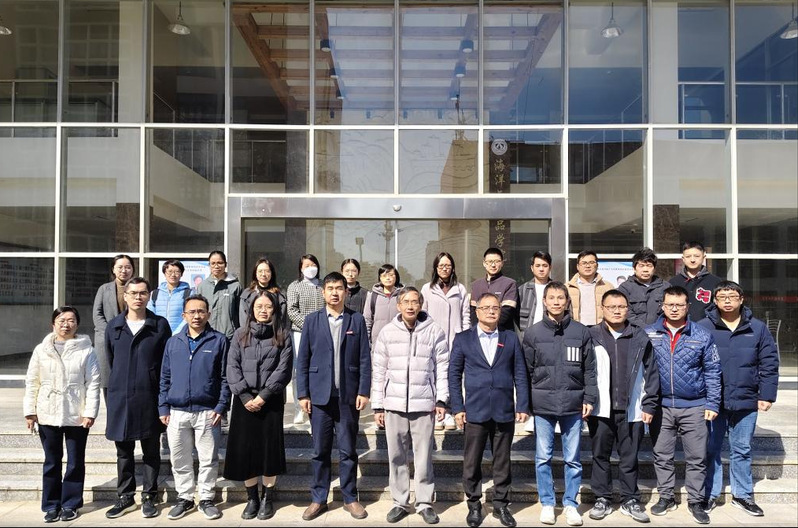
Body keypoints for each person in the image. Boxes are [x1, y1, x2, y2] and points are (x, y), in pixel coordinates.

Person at [698, 281, 779, 517]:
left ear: (741, 299)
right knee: (711, 449)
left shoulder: (757, 328)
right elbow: (695, 363)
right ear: (715, 301)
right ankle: (709, 494)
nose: (727, 301)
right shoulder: (702, 327)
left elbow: (769, 363)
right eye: (722, 297)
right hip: (713, 401)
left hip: (746, 399)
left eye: (732, 296)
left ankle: (742, 495)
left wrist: (766, 395)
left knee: (742, 449)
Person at [295, 272, 372, 521]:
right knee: (320, 451)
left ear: (346, 292)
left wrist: (364, 390)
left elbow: (364, 358)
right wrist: (303, 393)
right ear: (323, 292)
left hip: (348, 396)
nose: (335, 293)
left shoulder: (356, 320)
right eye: (330, 288)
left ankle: (350, 498)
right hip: (319, 397)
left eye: (339, 288)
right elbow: (303, 360)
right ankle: (318, 498)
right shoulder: (312, 320)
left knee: (348, 450)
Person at [449, 293, 530, 528]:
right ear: (477, 312)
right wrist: (457, 407)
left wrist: (522, 404)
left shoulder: (510, 338)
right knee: (472, 461)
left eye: (495, 307)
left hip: (504, 409)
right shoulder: (463, 339)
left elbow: (520, 373)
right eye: (486, 308)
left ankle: (501, 504)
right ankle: (474, 504)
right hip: (474, 410)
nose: (491, 311)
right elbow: (454, 375)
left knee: (502, 461)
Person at [371, 286, 449, 525]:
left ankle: (424, 502)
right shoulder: (387, 332)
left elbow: (442, 368)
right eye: (406, 302)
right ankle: (400, 502)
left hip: (423, 403)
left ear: (421, 304)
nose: (410, 306)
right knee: (396, 456)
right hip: (393, 403)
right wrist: (378, 405)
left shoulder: (434, 331)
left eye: (415, 301)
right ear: (398, 306)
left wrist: (441, 399)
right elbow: (379, 370)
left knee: (423, 457)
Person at [523, 282, 596, 527]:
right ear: (544, 301)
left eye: (560, 298)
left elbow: (590, 370)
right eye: (551, 298)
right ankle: (547, 502)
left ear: (567, 301)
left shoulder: (581, 332)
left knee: (572, 458)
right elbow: (526, 370)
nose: (556, 302)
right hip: (543, 404)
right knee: (543, 456)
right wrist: (526, 402)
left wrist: (589, 398)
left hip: (573, 404)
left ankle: (570, 504)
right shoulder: (533, 333)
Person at [646, 286, 721, 525]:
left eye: (679, 305)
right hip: (661, 406)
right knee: (662, 455)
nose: (674, 309)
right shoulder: (649, 334)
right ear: (662, 306)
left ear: (688, 307)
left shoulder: (702, 335)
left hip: (695, 406)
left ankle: (696, 501)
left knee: (697, 457)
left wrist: (712, 403)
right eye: (670, 304)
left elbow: (713, 372)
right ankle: (666, 497)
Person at [587, 290, 660, 524]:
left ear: (628, 309)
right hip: (601, 408)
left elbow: (652, 373)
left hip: (632, 408)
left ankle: (630, 499)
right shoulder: (591, 335)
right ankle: (602, 498)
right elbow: (583, 370)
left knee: (629, 458)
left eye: (621, 307)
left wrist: (649, 405)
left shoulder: (640, 336)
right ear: (602, 308)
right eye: (611, 307)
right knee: (600, 456)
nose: (617, 311)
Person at [23, 306, 100, 523]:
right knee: (51, 461)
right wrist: (30, 411)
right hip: (47, 412)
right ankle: (51, 505)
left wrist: (90, 412)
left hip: (77, 413)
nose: (66, 324)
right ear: (53, 324)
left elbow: (93, 383)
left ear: (77, 324)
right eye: (61, 320)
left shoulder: (87, 350)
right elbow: (32, 381)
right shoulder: (41, 350)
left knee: (75, 461)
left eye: (71, 320)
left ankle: (70, 504)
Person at [104, 277, 171, 519]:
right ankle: (125, 496)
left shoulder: (159, 325)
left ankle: (149, 496)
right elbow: (111, 360)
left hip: (149, 395)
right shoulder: (114, 326)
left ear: (149, 296)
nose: (138, 297)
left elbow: (166, 363)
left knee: (151, 451)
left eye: (143, 293)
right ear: (125, 296)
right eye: (133, 293)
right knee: (124, 451)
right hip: (120, 397)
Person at [158, 294, 231, 521]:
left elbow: (226, 378)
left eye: (201, 311)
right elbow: (164, 377)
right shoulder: (173, 342)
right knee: (179, 459)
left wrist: (221, 406)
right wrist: (163, 407)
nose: (196, 316)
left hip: (208, 411)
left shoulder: (219, 340)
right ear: (184, 315)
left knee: (208, 459)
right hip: (177, 411)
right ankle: (185, 497)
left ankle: (206, 498)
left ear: (208, 314)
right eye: (192, 312)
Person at [225, 291, 293, 521]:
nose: (263, 311)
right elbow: (232, 366)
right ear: (251, 309)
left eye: (268, 307)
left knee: (269, 451)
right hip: (244, 401)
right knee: (246, 451)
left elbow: (284, 369)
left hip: (270, 400)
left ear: (275, 310)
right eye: (259, 306)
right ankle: (252, 497)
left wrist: (264, 396)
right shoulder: (239, 334)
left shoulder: (283, 335)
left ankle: (267, 498)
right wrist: (245, 396)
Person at [420, 251, 470, 431]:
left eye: (448, 265)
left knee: (452, 374)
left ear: (453, 268)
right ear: (435, 268)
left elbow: (465, 315)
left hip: (456, 339)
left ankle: (449, 411)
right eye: (441, 265)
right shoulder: (427, 289)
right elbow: (423, 314)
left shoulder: (460, 289)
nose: (444, 268)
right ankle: (435, 411)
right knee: (433, 373)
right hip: (433, 339)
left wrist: (465, 336)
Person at [287, 254, 325, 425]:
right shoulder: (294, 286)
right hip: (300, 332)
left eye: (313, 264)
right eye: (306, 265)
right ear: (301, 268)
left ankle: (316, 406)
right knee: (299, 370)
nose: (310, 268)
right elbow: (292, 310)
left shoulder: (323, 285)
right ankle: (299, 408)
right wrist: (308, 325)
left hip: (323, 332)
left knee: (319, 368)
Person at [92, 254, 135, 393]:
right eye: (120, 267)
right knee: (108, 378)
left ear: (132, 269)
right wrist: (109, 331)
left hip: (129, 336)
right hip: (107, 337)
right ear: (113, 269)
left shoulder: (137, 289)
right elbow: (97, 313)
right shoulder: (104, 289)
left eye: (128, 267)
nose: (124, 270)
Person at [669, 241, 723, 322]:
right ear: (683, 258)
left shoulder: (715, 282)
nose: (692, 260)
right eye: (688, 256)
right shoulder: (673, 282)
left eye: (697, 256)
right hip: (679, 326)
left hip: (706, 326)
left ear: (704, 257)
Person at [618, 248, 670, 327]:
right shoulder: (625, 288)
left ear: (654, 268)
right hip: (633, 331)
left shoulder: (665, 287)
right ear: (634, 268)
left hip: (660, 331)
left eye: (649, 266)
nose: (645, 270)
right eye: (641, 266)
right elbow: (627, 312)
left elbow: (669, 311)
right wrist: (645, 328)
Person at [469, 248, 518, 333]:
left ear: (502, 263)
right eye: (490, 261)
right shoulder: (476, 285)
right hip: (479, 333)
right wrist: (480, 329)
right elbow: (473, 312)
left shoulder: (510, 284)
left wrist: (490, 327)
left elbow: (506, 312)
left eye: (497, 261)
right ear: (484, 263)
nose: (493, 265)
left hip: (502, 332)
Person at [196, 250, 242, 342]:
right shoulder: (202, 286)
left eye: (220, 263)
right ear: (209, 265)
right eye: (213, 263)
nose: (216, 266)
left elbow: (240, 312)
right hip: (206, 336)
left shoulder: (235, 286)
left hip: (229, 337)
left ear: (225, 264)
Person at [566, 250, 612, 326]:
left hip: (601, 329)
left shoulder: (607, 287)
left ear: (597, 265)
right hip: (576, 328)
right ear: (577, 266)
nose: (587, 266)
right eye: (584, 263)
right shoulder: (567, 287)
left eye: (591, 262)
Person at [239, 257, 287, 326]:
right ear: (255, 273)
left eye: (267, 271)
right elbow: (244, 320)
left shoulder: (279, 295)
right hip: (252, 331)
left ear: (272, 273)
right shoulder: (247, 295)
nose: (263, 274)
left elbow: (282, 320)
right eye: (260, 271)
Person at [147, 259, 191, 335]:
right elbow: (150, 314)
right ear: (164, 273)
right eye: (170, 271)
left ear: (181, 274)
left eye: (177, 272)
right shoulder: (155, 294)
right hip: (159, 334)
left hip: (181, 335)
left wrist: (177, 333)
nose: (173, 275)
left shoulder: (188, 293)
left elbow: (189, 315)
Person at [364, 263, 403, 346]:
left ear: (396, 277)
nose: (388, 278)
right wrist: (367, 343)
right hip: (377, 343)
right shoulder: (372, 296)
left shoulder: (403, 296)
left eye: (391, 275)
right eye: (384, 276)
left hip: (399, 342)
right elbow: (367, 321)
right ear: (380, 278)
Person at [518, 250, 553, 331]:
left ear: (550, 267)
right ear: (532, 268)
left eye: (545, 265)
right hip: (527, 335)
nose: (541, 269)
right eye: (537, 266)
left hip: (551, 335)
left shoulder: (558, 290)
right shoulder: (522, 290)